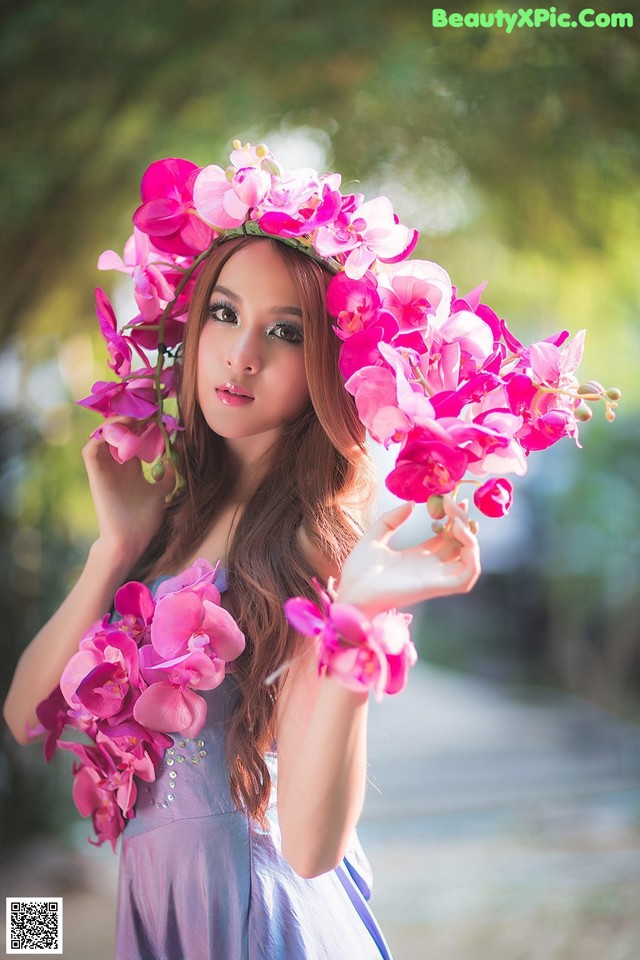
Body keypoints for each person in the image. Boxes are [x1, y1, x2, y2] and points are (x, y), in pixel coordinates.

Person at [4, 146, 481, 960]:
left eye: (284, 332)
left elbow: (308, 846)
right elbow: (22, 716)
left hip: (255, 915)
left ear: (330, 362)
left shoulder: (314, 543)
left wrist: (355, 621)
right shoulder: (175, 522)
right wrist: (113, 549)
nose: (241, 354)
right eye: (223, 314)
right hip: (157, 910)